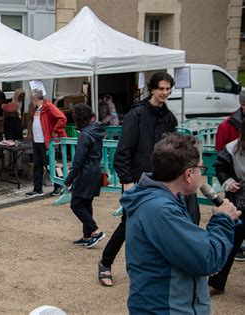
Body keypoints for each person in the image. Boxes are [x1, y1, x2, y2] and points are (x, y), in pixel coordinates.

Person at [123, 134, 240, 314]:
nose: (202, 173)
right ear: (188, 174)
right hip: (168, 308)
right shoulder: (161, 210)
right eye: (201, 168)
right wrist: (223, 220)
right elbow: (206, 259)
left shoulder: (164, 201)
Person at [97, 72, 181, 287]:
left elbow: (171, 153)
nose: (164, 92)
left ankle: (155, 269)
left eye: (167, 89)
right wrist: (127, 182)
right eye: (161, 88)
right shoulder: (137, 114)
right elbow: (123, 151)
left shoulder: (169, 118)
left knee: (160, 225)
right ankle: (105, 263)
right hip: (136, 181)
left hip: (162, 182)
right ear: (152, 89)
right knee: (128, 225)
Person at [208, 118, 245, 295]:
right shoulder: (231, 148)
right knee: (230, 243)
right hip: (238, 201)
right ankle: (217, 282)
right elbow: (220, 168)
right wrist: (229, 182)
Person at [64, 104, 106, 248]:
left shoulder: (85, 135)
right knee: (86, 202)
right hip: (96, 171)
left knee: (76, 204)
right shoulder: (96, 130)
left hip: (86, 172)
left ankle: (95, 231)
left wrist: (68, 181)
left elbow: (78, 162)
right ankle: (87, 235)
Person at [25, 89, 67, 197]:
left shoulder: (48, 106)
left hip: (46, 141)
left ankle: (59, 186)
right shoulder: (37, 108)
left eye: (31, 98)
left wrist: (54, 131)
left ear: (35, 98)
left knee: (50, 164)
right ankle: (37, 188)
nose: (30, 101)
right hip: (38, 141)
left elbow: (62, 118)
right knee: (37, 165)